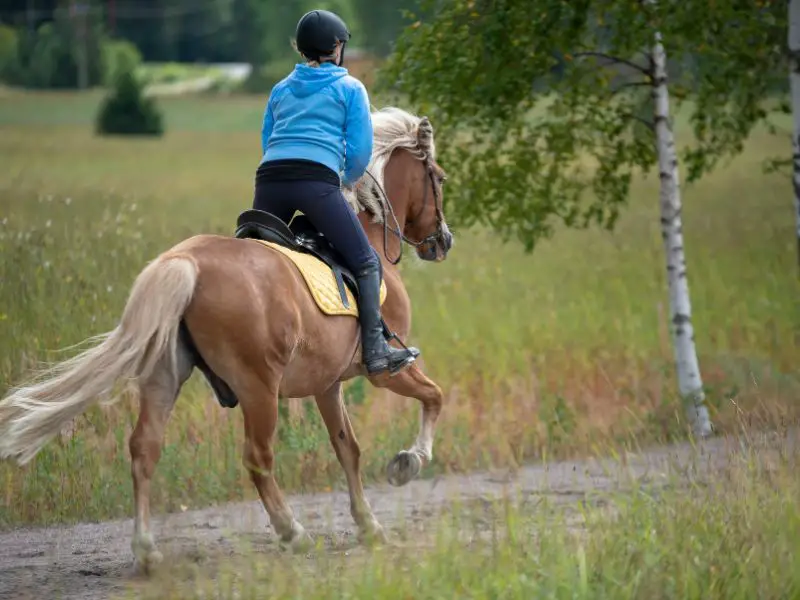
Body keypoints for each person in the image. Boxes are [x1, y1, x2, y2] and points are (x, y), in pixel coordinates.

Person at [252, 9, 419, 376]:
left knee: (251, 256)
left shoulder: (280, 89)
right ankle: (376, 351)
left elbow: (268, 139)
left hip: (270, 181)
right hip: (316, 183)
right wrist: (343, 180)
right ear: (337, 47)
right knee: (366, 262)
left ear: (302, 50)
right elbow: (359, 152)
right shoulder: (349, 88)